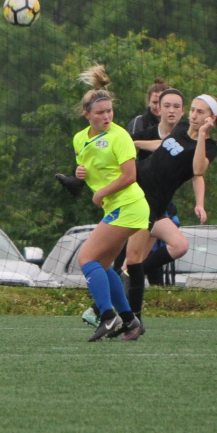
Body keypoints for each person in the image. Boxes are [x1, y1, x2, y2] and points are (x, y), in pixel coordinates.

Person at [123, 90, 217, 334]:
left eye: (200, 112)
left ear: (212, 118)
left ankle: (121, 316)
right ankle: (123, 316)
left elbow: (198, 170)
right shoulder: (182, 127)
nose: (194, 115)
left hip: (151, 203)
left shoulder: (207, 146)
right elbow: (164, 145)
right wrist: (135, 143)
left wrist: (203, 135)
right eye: (193, 110)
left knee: (134, 262)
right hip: (135, 188)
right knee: (131, 262)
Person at [69, 66, 153, 342]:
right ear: (87, 115)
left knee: (86, 259)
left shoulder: (120, 137)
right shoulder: (80, 139)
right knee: (103, 267)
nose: (106, 116)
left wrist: (99, 193)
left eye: (109, 111)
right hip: (117, 207)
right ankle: (130, 321)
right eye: (100, 112)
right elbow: (87, 167)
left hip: (129, 205)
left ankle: (107, 316)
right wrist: (79, 174)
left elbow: (130, 175)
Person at [127, 79, 169, 161]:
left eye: (161, 102)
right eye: (155, 102)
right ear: (148, 102)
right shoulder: (139, 121)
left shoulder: (176, 124)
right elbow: (129, 149)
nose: (158, 107)